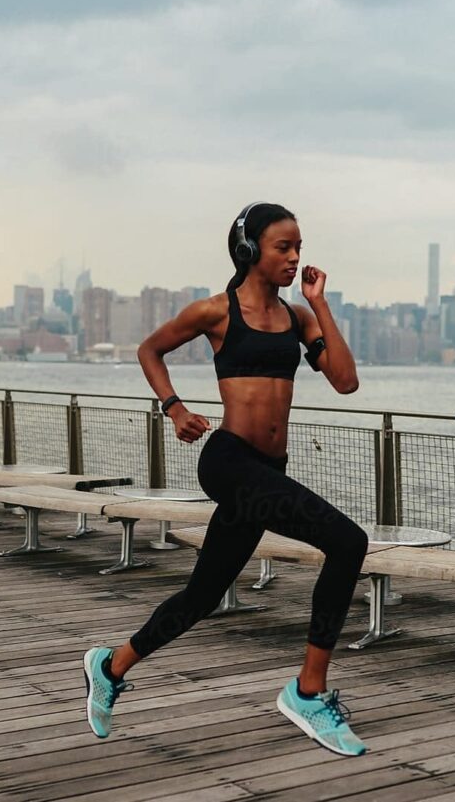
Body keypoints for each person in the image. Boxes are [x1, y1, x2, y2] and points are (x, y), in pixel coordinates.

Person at [83, 202, 370, 756]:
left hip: (268, 471)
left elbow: (346, 381)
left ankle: (110, 665)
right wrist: (173, 407)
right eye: (282, 247)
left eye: (298, 248)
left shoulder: (298, 319)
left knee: (203, 594)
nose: (294, 258)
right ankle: (308, 691)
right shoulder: (216, 312)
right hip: (229, 460)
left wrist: (320, 305)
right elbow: (150, 349)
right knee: (347, 541)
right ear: (249, 251)